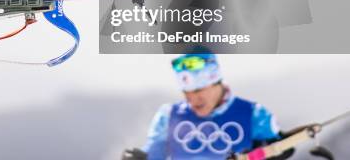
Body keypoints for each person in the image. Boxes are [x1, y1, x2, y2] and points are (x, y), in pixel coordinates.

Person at [122, 53, 294, 160]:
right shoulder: (169, 116)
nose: (193, 99)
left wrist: (274, 151)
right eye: (186, 92)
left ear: (216, 83)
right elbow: (154, 154)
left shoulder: (254, 115)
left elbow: (278, 149)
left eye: (198, 90)